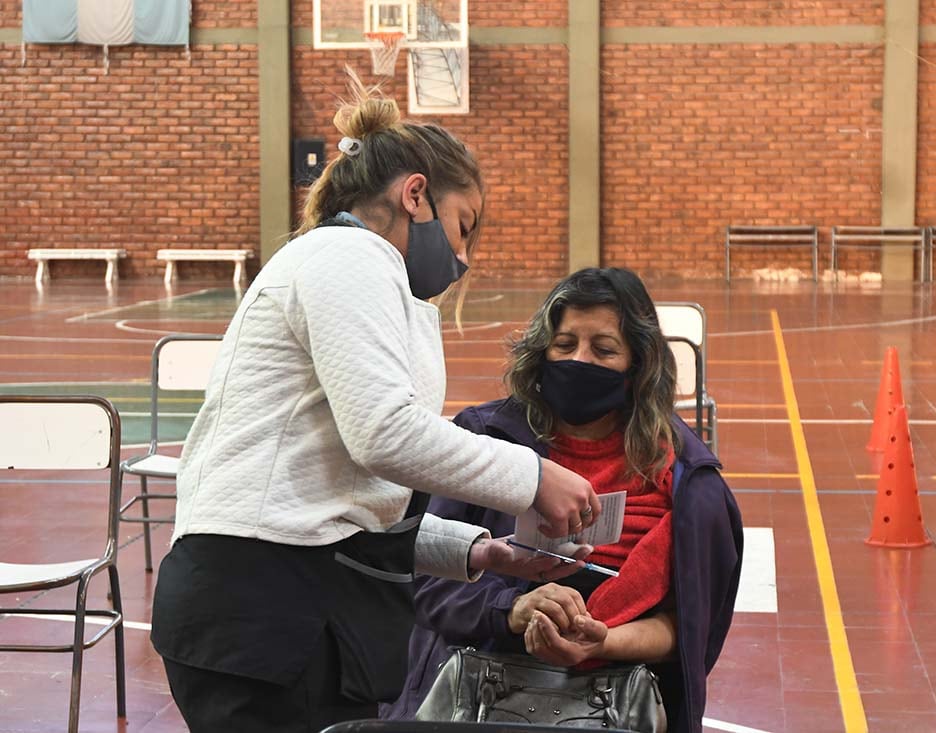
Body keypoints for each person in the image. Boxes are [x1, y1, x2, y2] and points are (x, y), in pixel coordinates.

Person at [149, 71, 602, 733]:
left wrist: (477, 550)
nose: (463, 256)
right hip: (261, 607)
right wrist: (532, 477)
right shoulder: (348, 255)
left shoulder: (372, 274)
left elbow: (342, 495)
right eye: (462, 226)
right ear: (415, 194)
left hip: (292, 602)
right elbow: (384, 434)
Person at [384, 267, 744, 733]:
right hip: (476, 695)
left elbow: (688, 628)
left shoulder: (687, 481)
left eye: (604, 349)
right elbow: (425, 584)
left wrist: (603, 641)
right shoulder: (482, 442)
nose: (580, 360)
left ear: (639, 364)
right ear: (541, 350)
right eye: (565, 344)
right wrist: (511, 611)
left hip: (619, 703)